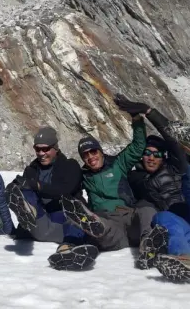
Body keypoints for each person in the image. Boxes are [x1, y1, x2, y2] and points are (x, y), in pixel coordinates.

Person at [121, 96, 190, 284]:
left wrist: (149, 112)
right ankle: (186, 260)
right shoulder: (135, 177)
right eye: (147, 153)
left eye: (156, 153)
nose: (151, 157)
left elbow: (173, 141)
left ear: (163, 156)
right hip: (183, 236)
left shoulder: (173, 166)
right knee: (163, 218)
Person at [61, 95, 156, 264]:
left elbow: (138, 146)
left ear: (100, 151)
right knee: (102, 228)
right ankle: (93, 228)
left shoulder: (118, 163)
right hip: (109, 222)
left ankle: (149, 245)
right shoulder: (83, 175)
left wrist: (136, 119)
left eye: (93, 152)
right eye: (85, 155)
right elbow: (67, 184)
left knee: (147, 209)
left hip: (129, 216)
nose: (90, 157)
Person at [5, 126, 99, 271]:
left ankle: (67, 251)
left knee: (75, 212)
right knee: (23, 188)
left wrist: (36, 185)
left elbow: (65, 190)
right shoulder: (31, 170)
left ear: (56, 148)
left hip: (67, 220)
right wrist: (17, 187)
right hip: (44, 222)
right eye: (38, 149)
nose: (41, 153)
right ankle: (30, 215)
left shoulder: (70, 166)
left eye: (46, 149)